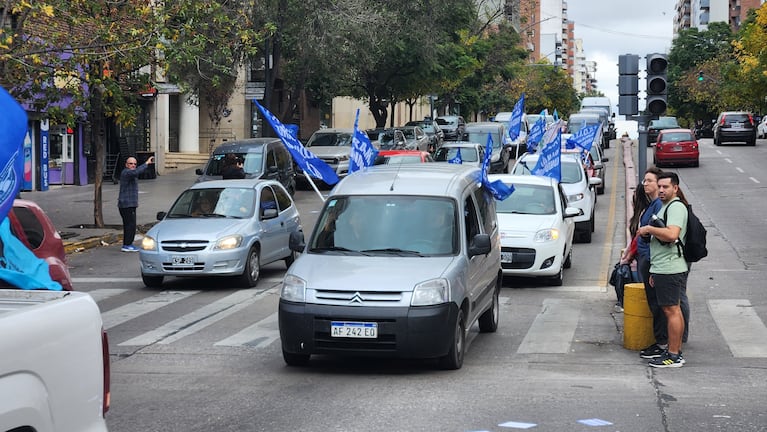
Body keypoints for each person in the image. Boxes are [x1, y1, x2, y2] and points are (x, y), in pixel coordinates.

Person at [636, 172, 689, 368]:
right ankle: (673, 350)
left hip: (670, 267)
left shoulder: (676, 207)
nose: (661, 190)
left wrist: (649, 229)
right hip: (663, 267)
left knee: (671, 310)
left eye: (665, 187)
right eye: (659, 186)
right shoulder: (666, 206)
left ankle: (674, 355)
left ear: (675, 188)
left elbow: (672, 234)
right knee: (670, 309)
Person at [118, 156, 154, 252]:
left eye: (134, 164)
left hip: (130, 203)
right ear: (126, 164)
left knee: (130, 224)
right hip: (126, 204)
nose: (133, 165)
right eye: (131, 163)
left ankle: (127, 243)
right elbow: (136, 172)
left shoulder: (131, 174)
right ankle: (127, 244)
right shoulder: (126, 172)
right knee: (130, 225)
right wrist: (146, 163)